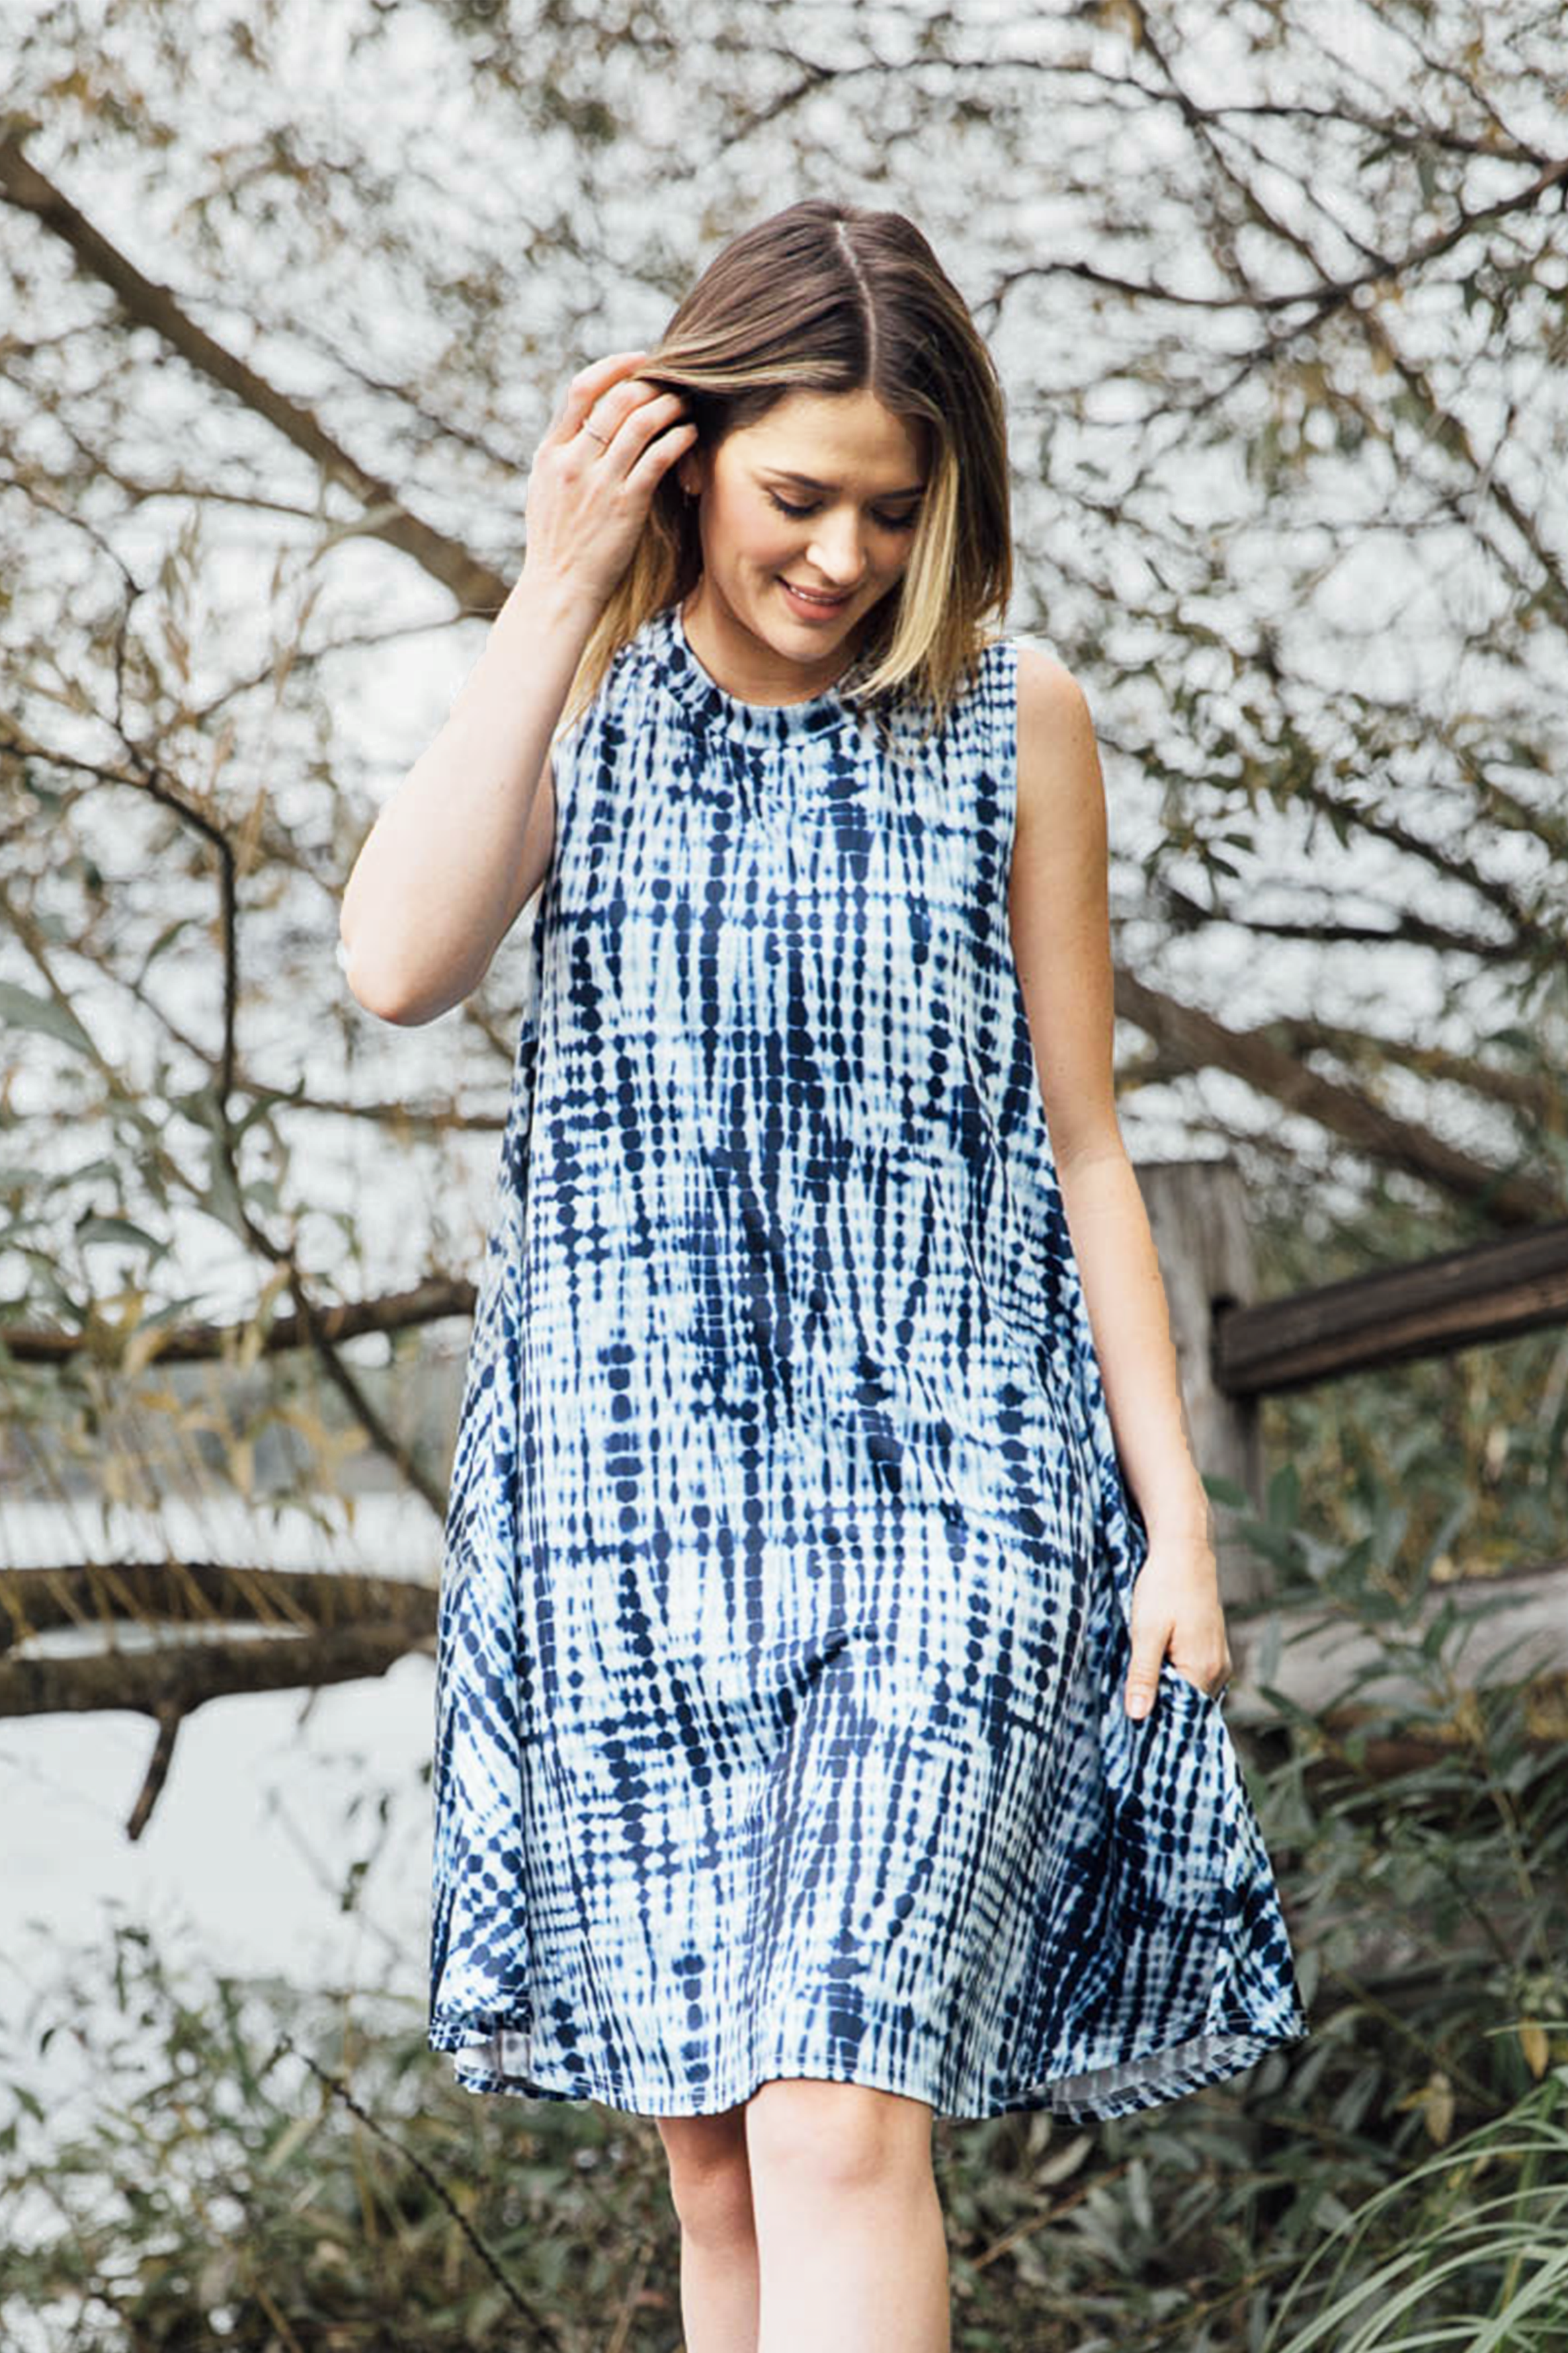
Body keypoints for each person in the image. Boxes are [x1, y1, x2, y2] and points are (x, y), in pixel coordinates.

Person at [339, 198, 1306, 2353]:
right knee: (718, 2149)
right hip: (624, 1506)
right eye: (797, 496)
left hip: (947, 1488)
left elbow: (1081, 1141)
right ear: (683, 455)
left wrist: (1174, 1524)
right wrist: (557, 580)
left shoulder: (1009, 719)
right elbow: (399, 960)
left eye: (892, 506)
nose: (844, 555)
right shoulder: (579, 691)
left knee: (840, 2099)